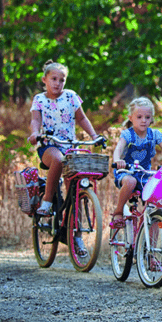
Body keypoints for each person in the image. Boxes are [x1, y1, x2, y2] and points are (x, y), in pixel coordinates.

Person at [27, 60, 104, 256]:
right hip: (48, 146)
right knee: (58, 160)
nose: (57, 83)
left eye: (62, 80)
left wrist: (95, 137)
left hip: (71, 146)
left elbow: (82, 118)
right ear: (45, 80)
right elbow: (35, 120)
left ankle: (75, 236)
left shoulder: (71, 97)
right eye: (53, 79)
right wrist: (35, 133)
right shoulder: (39, 100)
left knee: (77, 189)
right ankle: (46, 202)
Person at [110, 97, 162, 228]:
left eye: (147, 117)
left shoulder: (154, 135)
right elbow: (118, 149)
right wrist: (118, 160)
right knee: (130, 182)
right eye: (139, 117)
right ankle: (118, 212)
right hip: (126, 172)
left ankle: (149, 239)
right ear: (131, 118)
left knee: (157, 202)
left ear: (151, 119)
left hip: (144, 174)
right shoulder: (128, 135)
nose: (143, 120)